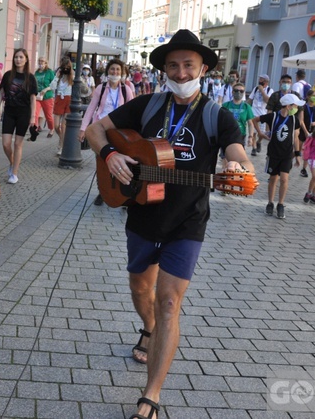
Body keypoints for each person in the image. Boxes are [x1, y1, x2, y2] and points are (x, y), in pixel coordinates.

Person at [85, 29, 255, 419]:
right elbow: (95, 130)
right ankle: (147, 328)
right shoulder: (146, 106)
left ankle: (151, 396)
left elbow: (238, 153)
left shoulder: (217, 115)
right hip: (142, 213)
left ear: (204, 68)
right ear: (164, 69)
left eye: (188, 65)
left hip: (188, 223)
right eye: (173, 65)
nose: (180, 73)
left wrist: (238, 166)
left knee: (168, 302)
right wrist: (110, 153)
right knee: (140, 289)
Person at [79, 58, 134, 206]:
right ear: (107, 71)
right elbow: (91, 108)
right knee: (102, 162)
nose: (115, 72)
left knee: (121, 162)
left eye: (118, 70)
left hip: (119, 132)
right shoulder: (100, 88)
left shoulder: (126, 89)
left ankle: (124, 194)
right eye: (112, 69)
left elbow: (132, 112)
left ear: (122, 73)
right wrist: (84, 128)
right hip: (101, 130)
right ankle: (102, 192)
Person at [252, 93, 303, 219]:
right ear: (288, 106)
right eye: (295, 106)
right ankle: (270, 202)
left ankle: (281, 204)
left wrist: (297, 154)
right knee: (273, 179)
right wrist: (261, 133)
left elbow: (295, 137)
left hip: (287, 154)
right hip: (274, 153)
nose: (296, 108)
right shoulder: (273, 116)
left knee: (284, 179)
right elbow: (255, 120)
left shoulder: (294, 120)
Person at [0, 48, 38, 183]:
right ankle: (12, 162)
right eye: (16, 57)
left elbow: (33, 99)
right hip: (9, 111)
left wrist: (33, 117)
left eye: (21, 57)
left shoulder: (30, 78)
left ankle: (14, 173)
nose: (18, 60)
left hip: (23, 113)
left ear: (26, 59)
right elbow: (1, 92)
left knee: (18, 144)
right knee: (6, 144)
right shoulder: (8, 75)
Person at [221, 82, 255, 165]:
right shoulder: (226, 105)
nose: (238, 93)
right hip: (226, 135)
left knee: (237, 161)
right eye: (236, 90)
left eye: (241, 91)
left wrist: (250, 137)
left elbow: (251, 123)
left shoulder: (247, 107)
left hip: (240, 136)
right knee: (225, 161)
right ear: (232, 92)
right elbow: (220, 121)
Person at [51, 57, 75, 156]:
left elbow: (78, 86)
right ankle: (62, 139)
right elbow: (52, 87)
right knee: (56, 125)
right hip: (59, 99)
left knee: (63, 125)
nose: (65, 68)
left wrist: (72, 74)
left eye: (67, 66)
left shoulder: (72, 77)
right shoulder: (59, 76)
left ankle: (61, 146)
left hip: (68, 100)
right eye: (63, 66)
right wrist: (56, 76)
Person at [298, 88, 315, 177]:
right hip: (303, 131)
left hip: (312, 132)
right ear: (308, 96)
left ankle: (304, 169)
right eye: (313, 96)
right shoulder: (303, 107)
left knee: (308, 151)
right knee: (298, 149)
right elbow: (301, 121)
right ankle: (288, 161)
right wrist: (305, 132)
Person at [249, 73, 273, 156]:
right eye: (259, 79)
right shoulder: (255, 89)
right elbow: (250, 99)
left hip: (263, 114)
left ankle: (259, 142)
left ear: (266, 82)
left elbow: (268, 101)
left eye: (261, 79)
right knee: (254, 132)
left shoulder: (270, 90)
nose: (259, 81)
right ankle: (254, 148)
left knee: (262, 133)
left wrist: (262, 91)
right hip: (253, 112)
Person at [34, 57, 56, 137]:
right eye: (39, 61)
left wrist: (46, 89)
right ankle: (34, 130)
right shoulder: (36, 72)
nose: (40, 63)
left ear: (46, 63)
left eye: (42, 61)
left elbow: (54, 84)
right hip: (38, 96)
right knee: (35, 114)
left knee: (48, 115)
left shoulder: (49, 72)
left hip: (47, 96)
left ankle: (51, 129)